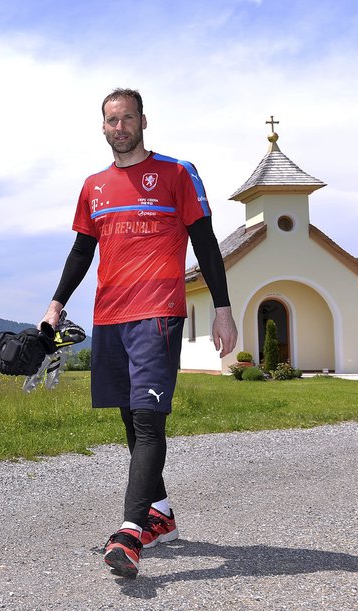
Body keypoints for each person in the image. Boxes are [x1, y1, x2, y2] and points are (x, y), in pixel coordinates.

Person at [42, 88, 237, 578]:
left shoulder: (177, 173)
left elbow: (206, 243)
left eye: (128, 117)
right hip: (109, 316)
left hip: (157, 314)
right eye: (112, 120)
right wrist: (55, 305)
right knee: (130, 419)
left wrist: (222, 309)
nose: (120, 126)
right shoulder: (94, 187)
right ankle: (161, 514)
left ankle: (130, 532)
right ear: (103, 127)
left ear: (143, 121)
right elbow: (82, 251)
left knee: (149, 421)